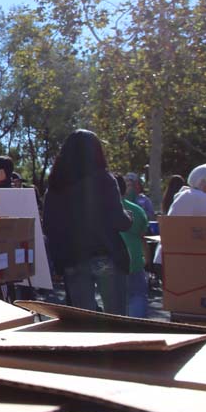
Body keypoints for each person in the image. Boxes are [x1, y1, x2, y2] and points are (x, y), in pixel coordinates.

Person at [41, 130, 132, 314]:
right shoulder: (104, 179)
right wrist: (129, 217)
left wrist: (58, 262)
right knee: (118, 319)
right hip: (105, 253)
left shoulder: (56, 185)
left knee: (84, 323)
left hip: (73, 258)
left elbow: (50, 226)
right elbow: (118, 220)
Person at [115, 173, 150, 318]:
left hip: (113, 262)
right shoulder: (138, 210)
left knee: (116, 301)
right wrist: (147, 259)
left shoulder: (100, 210)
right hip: (135, 260)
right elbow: (143, 238)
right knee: (138, 296)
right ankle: (138, 330)